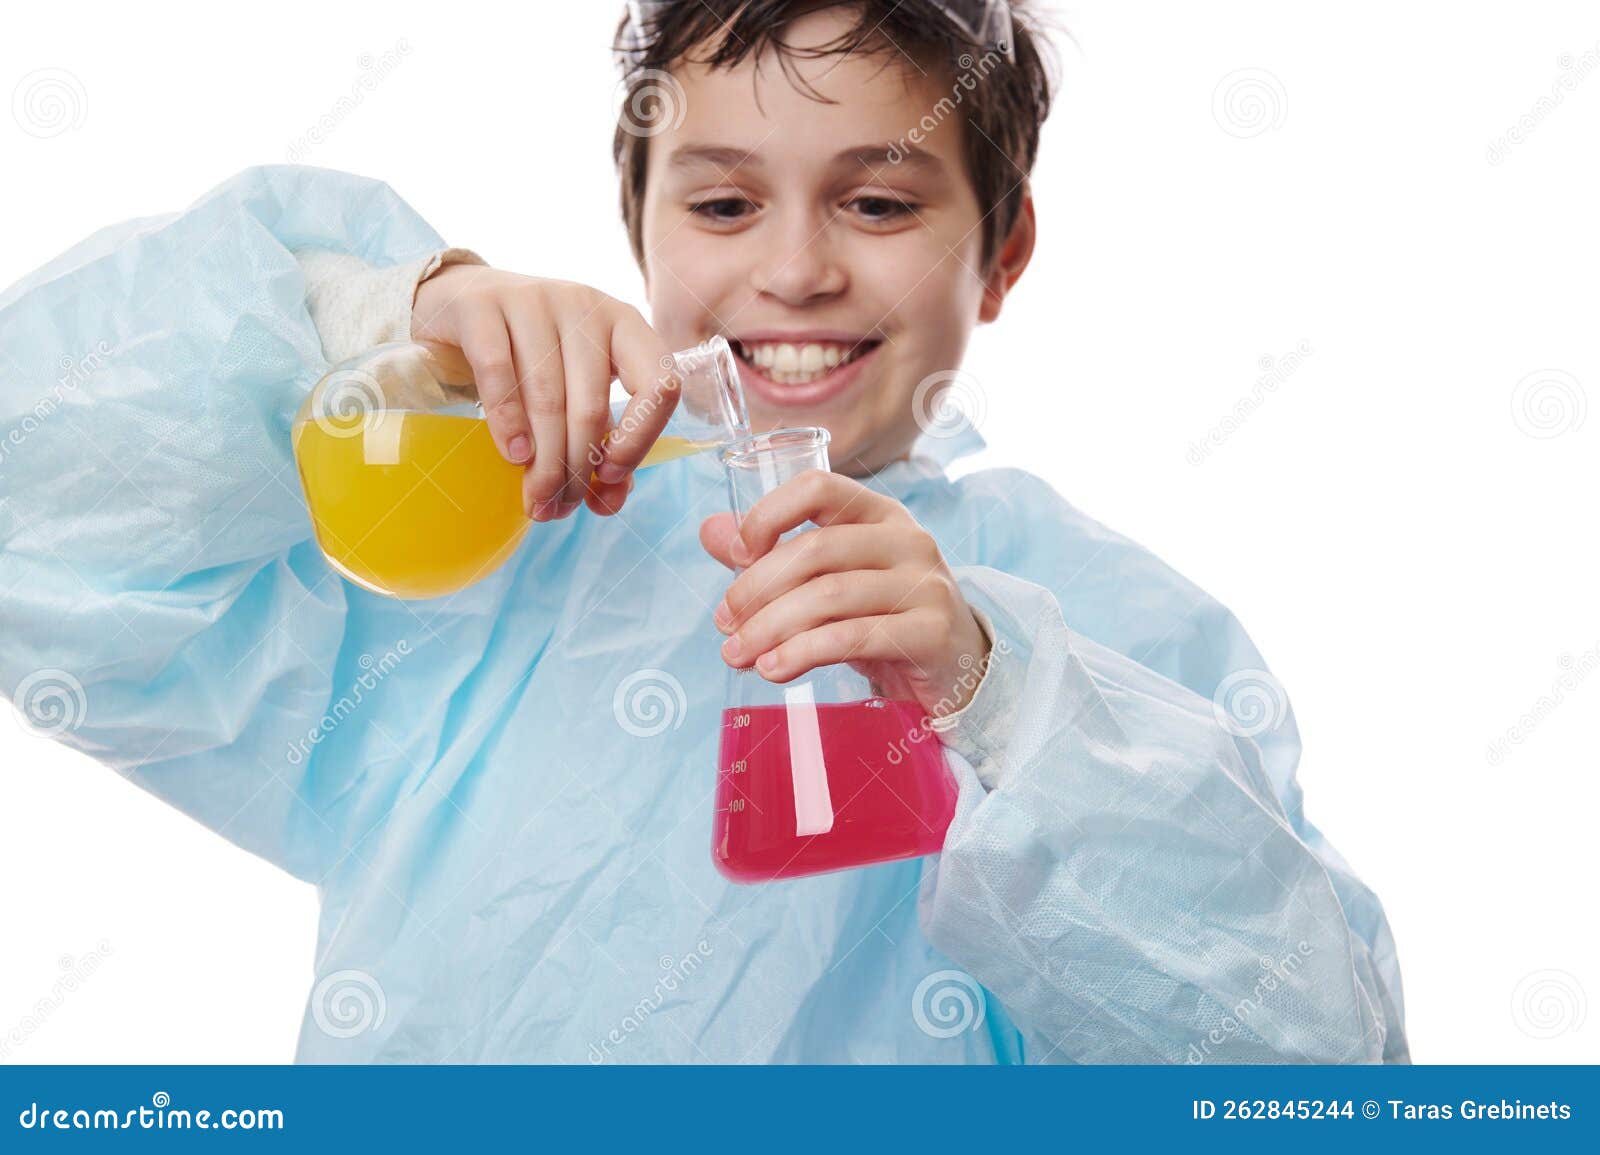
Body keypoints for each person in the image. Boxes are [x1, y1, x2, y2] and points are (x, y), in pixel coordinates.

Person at [0, 0, 1406, 1062]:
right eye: (725, 202)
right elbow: (37, 509)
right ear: (640, 225)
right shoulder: (494, 538)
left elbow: (1319, 1065)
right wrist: (369, 329)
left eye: (878, 200)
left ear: (1006, 248)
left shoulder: (1113, 634)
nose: (794, 269)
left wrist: (1002, 699)